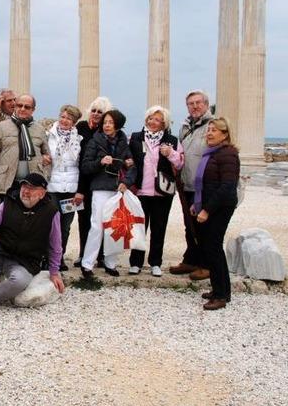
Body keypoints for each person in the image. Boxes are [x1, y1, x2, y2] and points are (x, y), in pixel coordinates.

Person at [0, 173, 66, 321]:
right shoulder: (9, 202)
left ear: (42, 194)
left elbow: (55, 246)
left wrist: (54, 272)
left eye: (32, 188)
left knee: (20, 281)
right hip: (0, 251)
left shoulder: (51, 212)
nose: (26, 191)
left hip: (25, 262)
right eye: (24, 186)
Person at [77, 109, 135, 278]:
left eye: (110, 122)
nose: (107, 125)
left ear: (118, 124)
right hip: (100, 188)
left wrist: (126, 182)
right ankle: (87, 264)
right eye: (105, 122)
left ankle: (111, 263)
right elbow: (86, 166)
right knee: (97, 226)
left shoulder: (124, 142)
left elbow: (132, 166)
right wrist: (100, 162)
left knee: (115, 227)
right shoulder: (95, 141)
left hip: (118, 189)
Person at [128, 106, 184, 277]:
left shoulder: (172, 140)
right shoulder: (135, 138)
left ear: (164, 123)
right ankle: (136, 263)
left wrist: (171, 154)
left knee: (159, 228)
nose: (153, 122)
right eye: (150, 118)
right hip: (140, 191)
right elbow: (127, 156)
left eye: (157, 119)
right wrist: (128, 162)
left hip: (163, 192)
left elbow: (180, 163)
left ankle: (155, 263)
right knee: (138, 228)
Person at [192, 118, 240, 310]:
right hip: (211, 205)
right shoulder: (213, 153)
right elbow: (207, 183)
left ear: (225, 134)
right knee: (211, 249)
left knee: (214, 248)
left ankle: (221, 295)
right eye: (208, 130)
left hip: (220, 208)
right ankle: (220, 289)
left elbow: (227, 187)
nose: (209, 133)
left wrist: (207, 209)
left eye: (214, 130)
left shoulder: (228, 154)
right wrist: (198, 204)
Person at [169, 90, 214, 281]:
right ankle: (191, 259)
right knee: (190, 225)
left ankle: (206, 264)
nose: (195, 106)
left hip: (204, 184)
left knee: (204, 225)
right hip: (186, 183)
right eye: (191, 104)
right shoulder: (185, 127)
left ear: (206, 104)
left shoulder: (212, 126)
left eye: (198, 103)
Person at [0, 94, 50, 209]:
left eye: (27, 107)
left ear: (33, 110)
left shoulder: (39, 129)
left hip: (32, 186)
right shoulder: (1, 127)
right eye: (19, 105)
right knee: (5, 221)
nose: (22, 109)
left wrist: (45, 177)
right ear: (15, 107)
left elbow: (47, 156)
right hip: (7, 183)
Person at [74, 96, 112, 270]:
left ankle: (101, 256)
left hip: (99, 181)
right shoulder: (80, 127)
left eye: (100, 112)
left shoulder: (105, 132)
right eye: (94, 110)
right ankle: (84, 254)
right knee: (84, 219)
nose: (96, 114)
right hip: (82, 179)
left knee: (102, 220)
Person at [45, 104, 84, 272]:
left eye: (69, 118)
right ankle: (47, 258)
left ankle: (59, 257)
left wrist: (80, 190)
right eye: (62, 116)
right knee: (51, 224)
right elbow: (40, 154)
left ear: (74, 122)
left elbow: (82, 165)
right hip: (52, 187)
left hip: (71, 188)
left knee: (65, 226)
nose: (64, 120)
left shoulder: (80, 139)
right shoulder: (48, 136)